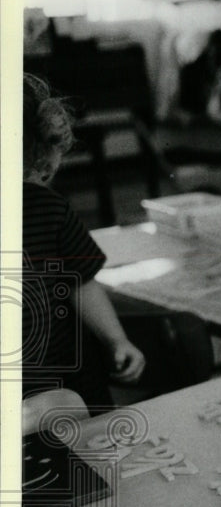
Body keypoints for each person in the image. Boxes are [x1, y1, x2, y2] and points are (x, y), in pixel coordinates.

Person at [21, 73, 146, 413]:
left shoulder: (47, 209)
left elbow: (81, 282)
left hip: (70, 378)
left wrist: (115, 338)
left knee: (91, 458)